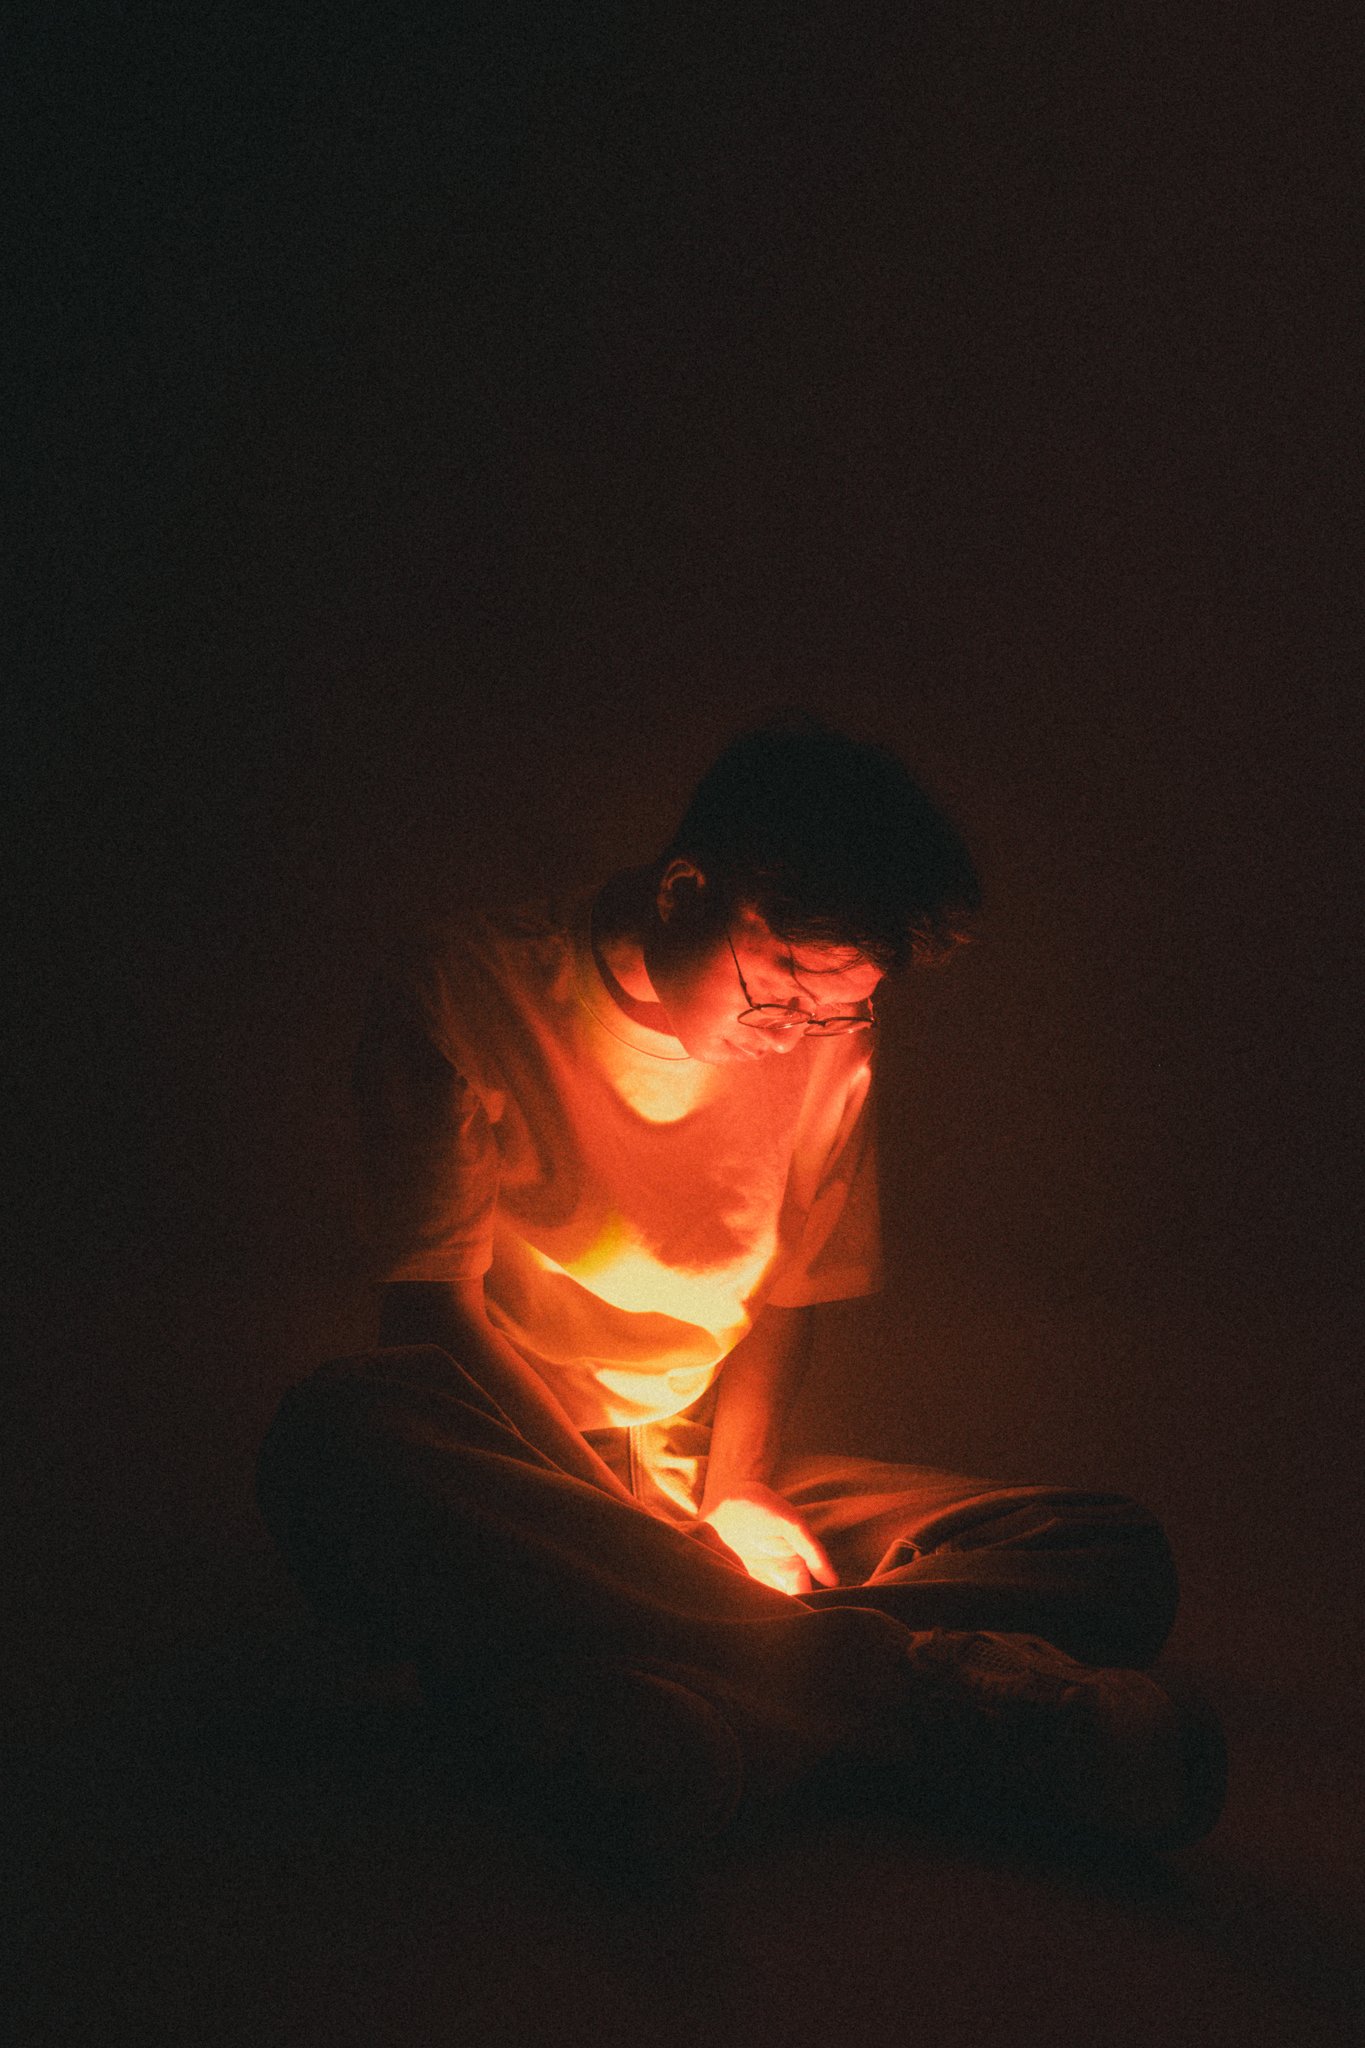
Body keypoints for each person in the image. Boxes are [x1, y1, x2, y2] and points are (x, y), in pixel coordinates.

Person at [257, 718, 1224, 1863]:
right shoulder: (460, 996)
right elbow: (434, 1321)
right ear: (684, 889)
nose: (800, 1036)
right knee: (338, 1432)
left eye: (842, 1007)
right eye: (783, 992)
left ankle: (683, 1691)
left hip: (696, 1461)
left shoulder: (829, 1046)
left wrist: (743, 1486)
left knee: (1108, 1549)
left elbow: (788, 1295)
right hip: (516, 1471)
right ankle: (911, 1687)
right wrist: (634, 1537)